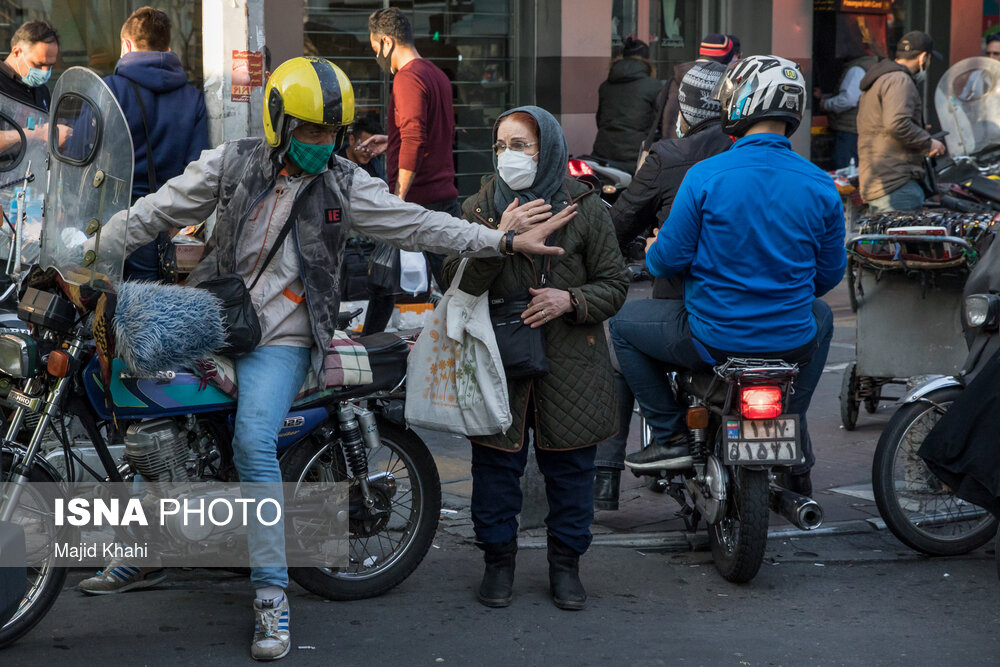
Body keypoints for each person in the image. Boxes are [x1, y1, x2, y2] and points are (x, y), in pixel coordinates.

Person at [74, 57, 572, 661]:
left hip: (283, 341)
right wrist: (85, 249)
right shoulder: (230, 163)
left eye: (329, 133)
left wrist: (502, 240)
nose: (320, 144)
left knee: (253, 443)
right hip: (211, 317)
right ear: (279, 120)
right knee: (131, 395)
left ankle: (270, 594)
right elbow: (158, 211)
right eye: (309, 130)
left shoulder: (345, 183)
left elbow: (420, 226)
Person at [610, 55, 846, 498]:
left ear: (739, 104)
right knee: (822, 316)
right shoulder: (820, 184)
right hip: (791, 338)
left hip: (711, 339)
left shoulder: (705, 176)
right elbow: (829, 273)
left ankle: (671, 437)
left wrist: (651, 248)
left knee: (622, 328)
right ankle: (789, 419)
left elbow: (667, 262)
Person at [443, 106, 628, 612]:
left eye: (521, 145)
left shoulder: (586, 208)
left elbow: (615, 284)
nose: (509, 156)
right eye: (501, 145)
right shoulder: (479, 209)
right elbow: (453, 286)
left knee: (571, 473)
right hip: (499, 363)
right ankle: (497, 563)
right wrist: (497, 239)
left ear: (547, 149)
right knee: (495, 471)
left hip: (571, 364)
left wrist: (572, 301)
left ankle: (565, 566)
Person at [594, 60, 732, 510]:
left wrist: (647, 248)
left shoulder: (673, 158)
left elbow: (627, 227)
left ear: (684, 109)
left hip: (691, 310)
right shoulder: (752, 157)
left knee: (623, 334)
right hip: (773, 318)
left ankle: (608, 476)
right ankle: (799, 468)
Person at [100, 6, 208, 282]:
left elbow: (80, 157)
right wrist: (172, 227)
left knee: (97, 316)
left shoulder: (108, 90)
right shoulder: (193, 98)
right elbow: (196, 170)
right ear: (168, 46)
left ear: (126, 44)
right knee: (147, 316)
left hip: (107, 225)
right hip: (160, 228)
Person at [366, 8, 458, 289]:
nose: (377, 57)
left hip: (420, 202)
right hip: (443, 197)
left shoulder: (407, 77)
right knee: (455, 287)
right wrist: (389, 140)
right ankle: (373, 331)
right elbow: (433, 132)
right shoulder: (436, 74)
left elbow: (415, 139)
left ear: (387, 42)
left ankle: (371, 333)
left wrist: (398, 199)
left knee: (388, 281)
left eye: (374, 48)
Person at [857, 31, 945, 213]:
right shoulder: (899, 80)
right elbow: (896, 124)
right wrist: (928, 142)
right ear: (922, 57)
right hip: (896, 182)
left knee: (884, 240)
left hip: (881, 179)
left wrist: (918, 128)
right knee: (900, 239)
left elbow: (884, 124)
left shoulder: (882, 77)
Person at [647, 33, 739, 146]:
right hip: (708, 151)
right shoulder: (724, 83)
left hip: (671, 152)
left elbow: (656, 113)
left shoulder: (673, 81)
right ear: (727, 58)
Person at [591, 37, 662, 173]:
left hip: (602, 153)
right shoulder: (654, 86)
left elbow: (600, 120)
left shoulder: (605, 86)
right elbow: (659, 124)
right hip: (635, 157)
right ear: (647, 61)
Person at [815, 49, 878, 169]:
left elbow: (848, 99)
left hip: (849, 130)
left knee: (846, 170)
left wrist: (826, 104)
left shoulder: (857, 69)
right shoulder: (871, 65)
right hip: (859, 128)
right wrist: (825, 96)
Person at [0, 20, 57, 111]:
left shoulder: (41, 90)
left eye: (50, 65)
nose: (45, 72)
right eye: (38, 64)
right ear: (17, 52)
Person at [338, 112, 385, 180]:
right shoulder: (335, 161)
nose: (368, 151)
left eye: (373, 147)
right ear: (352, 140)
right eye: (365, 146)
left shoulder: (374, 164)